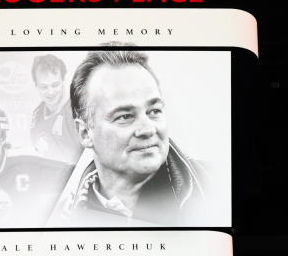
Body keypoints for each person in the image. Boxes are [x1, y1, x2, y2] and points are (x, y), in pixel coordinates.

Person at [50, 46, 208, 226]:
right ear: (85, 133)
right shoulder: (64, 217)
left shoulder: (218, 189)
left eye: (154, 111)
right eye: (125, 116)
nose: (148, 129)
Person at [29, 54, 83, 164]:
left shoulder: (77, 111)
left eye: (55, 85)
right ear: (36, 86)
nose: (50, 92)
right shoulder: (37, 115)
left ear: (63, 81)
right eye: (44, 87)